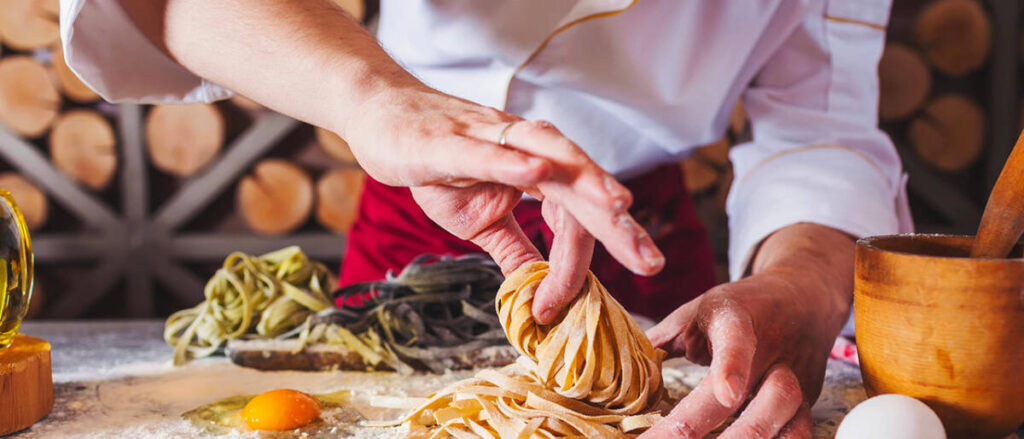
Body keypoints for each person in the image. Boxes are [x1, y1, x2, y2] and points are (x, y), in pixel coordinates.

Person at [60, 1, 912, 437]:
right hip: (431, 201)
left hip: (647, 244)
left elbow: (820, 125)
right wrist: (376, 99)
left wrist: (799, 284)